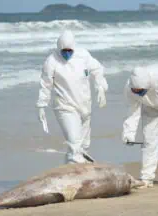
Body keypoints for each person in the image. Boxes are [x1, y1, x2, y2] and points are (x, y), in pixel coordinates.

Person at [36, 30, 108, 164]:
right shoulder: (52, 61)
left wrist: (101, 86)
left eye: (70, 50)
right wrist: (41, 105)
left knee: (83, 146)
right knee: (74, 143)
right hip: (65, 106)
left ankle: (73, 173)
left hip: (85, 105)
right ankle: (74, 168)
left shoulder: (83, 55)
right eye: (64, 51)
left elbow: (97, 69)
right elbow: (45, 84)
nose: (67, 54)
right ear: (59, 48)